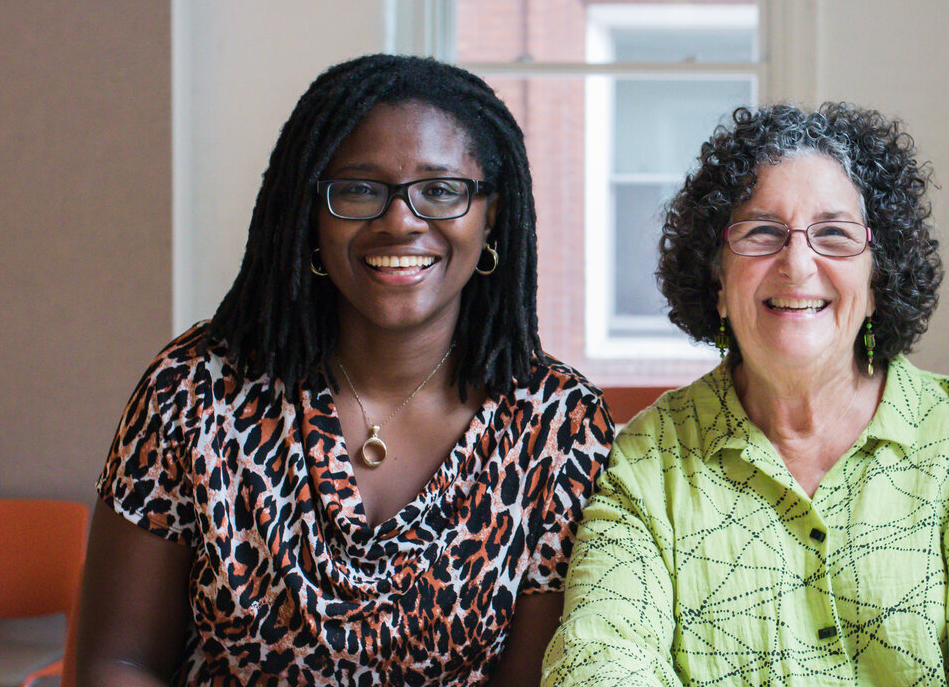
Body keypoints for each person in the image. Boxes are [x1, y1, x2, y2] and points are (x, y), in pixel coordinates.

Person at [75, 54, 614, 686]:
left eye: (441, 190)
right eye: (359, 190)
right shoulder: (192, 392)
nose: (401, 221)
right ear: (310, 212)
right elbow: (119, 662)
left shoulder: (558, 427)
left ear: (490, 214)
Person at [542, 103, 949, 686]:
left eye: (834, 235)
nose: (797, 263)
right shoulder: (647, 463)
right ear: (716, 282)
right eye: (762, 232)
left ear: (877, 281)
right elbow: (599, 660)